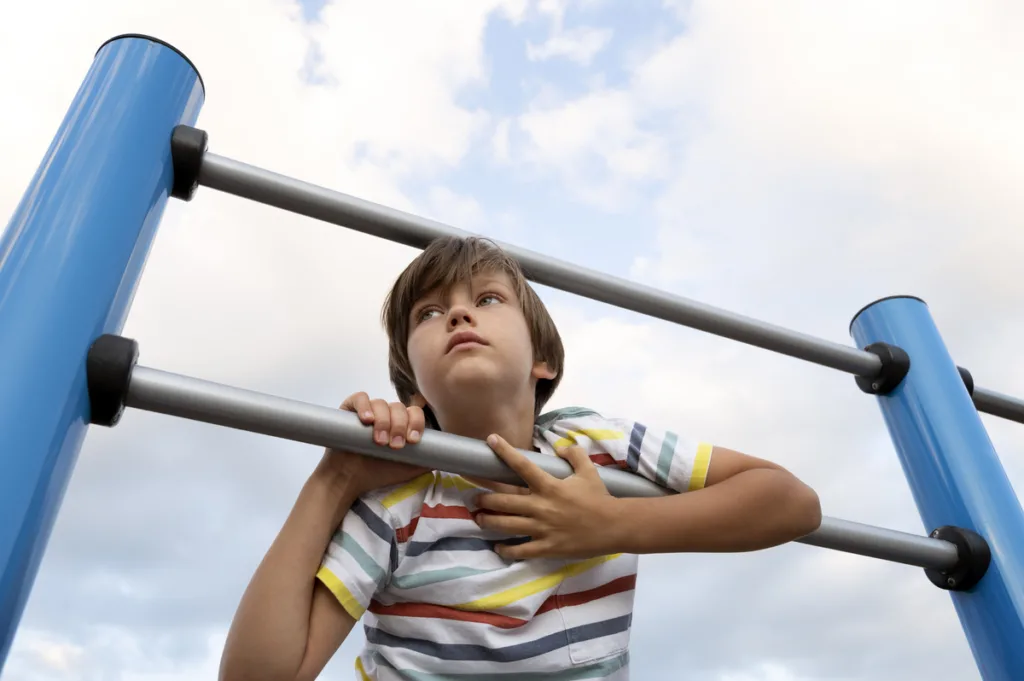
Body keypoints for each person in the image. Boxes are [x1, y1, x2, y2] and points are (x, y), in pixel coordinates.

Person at [219, 236, 822, 681]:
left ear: (544, 362)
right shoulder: (398, 504)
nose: (457, 313)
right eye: (428, 314)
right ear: (414, 387)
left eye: (486, 299)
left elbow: (793, 503)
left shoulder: (592, 447)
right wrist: (335, 477)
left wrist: (613, 525)